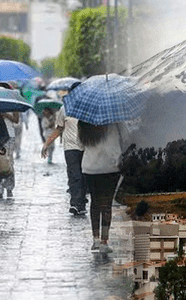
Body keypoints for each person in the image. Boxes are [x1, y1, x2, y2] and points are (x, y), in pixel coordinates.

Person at [78, 121, 129, 254]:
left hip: (90, 166)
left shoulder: (84, 121)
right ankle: (104, 241)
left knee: (95, 202)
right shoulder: (116, 120)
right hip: (110, 166)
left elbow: (80, 144)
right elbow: (126, 138)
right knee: (106, 204)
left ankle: (95, 239)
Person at [41, 103, 87, 216]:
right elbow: (59, 128)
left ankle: (81, 203)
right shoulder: (65, 108)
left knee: (83, 175)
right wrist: (47, 143)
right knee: (73, 175)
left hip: (86, 147)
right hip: (70, 147)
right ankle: (75, 203)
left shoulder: (87, 107)